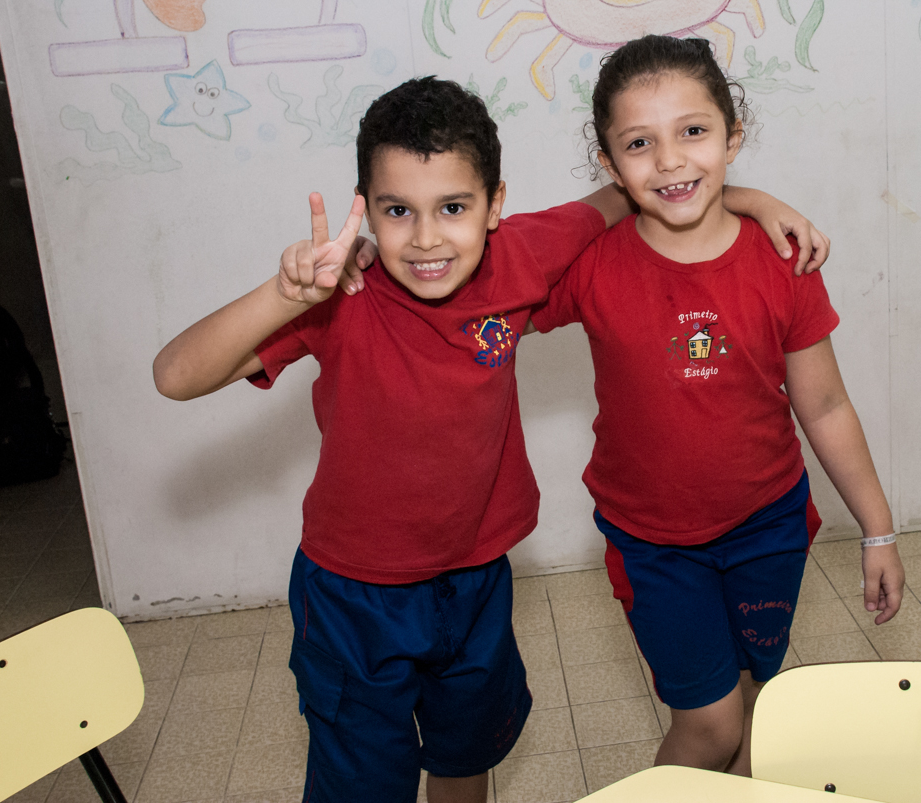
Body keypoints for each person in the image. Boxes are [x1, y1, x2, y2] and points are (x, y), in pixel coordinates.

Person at [152, 76, 827, 802]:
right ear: (367, 211)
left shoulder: (523, 255)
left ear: (494, 205)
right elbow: (175, 375)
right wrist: (284, 295)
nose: (426, 237)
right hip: (355, 596)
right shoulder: (338, 297)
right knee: (362, 784)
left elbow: (632, 194)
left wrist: (755, 200)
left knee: (464, 759)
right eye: (397, 211)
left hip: (476, 580)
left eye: (452, 207)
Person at [528, 35, 906, 776]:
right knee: (707, 722)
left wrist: (878, 530)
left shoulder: (781, 259)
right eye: (639, 143)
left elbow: (824, 405)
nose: (669, 160)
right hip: (654, 541)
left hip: (769, 525)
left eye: (693, 132)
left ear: (734, 137)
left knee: (751, 705)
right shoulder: (593, 264)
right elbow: (501, 272)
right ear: (608, 162)